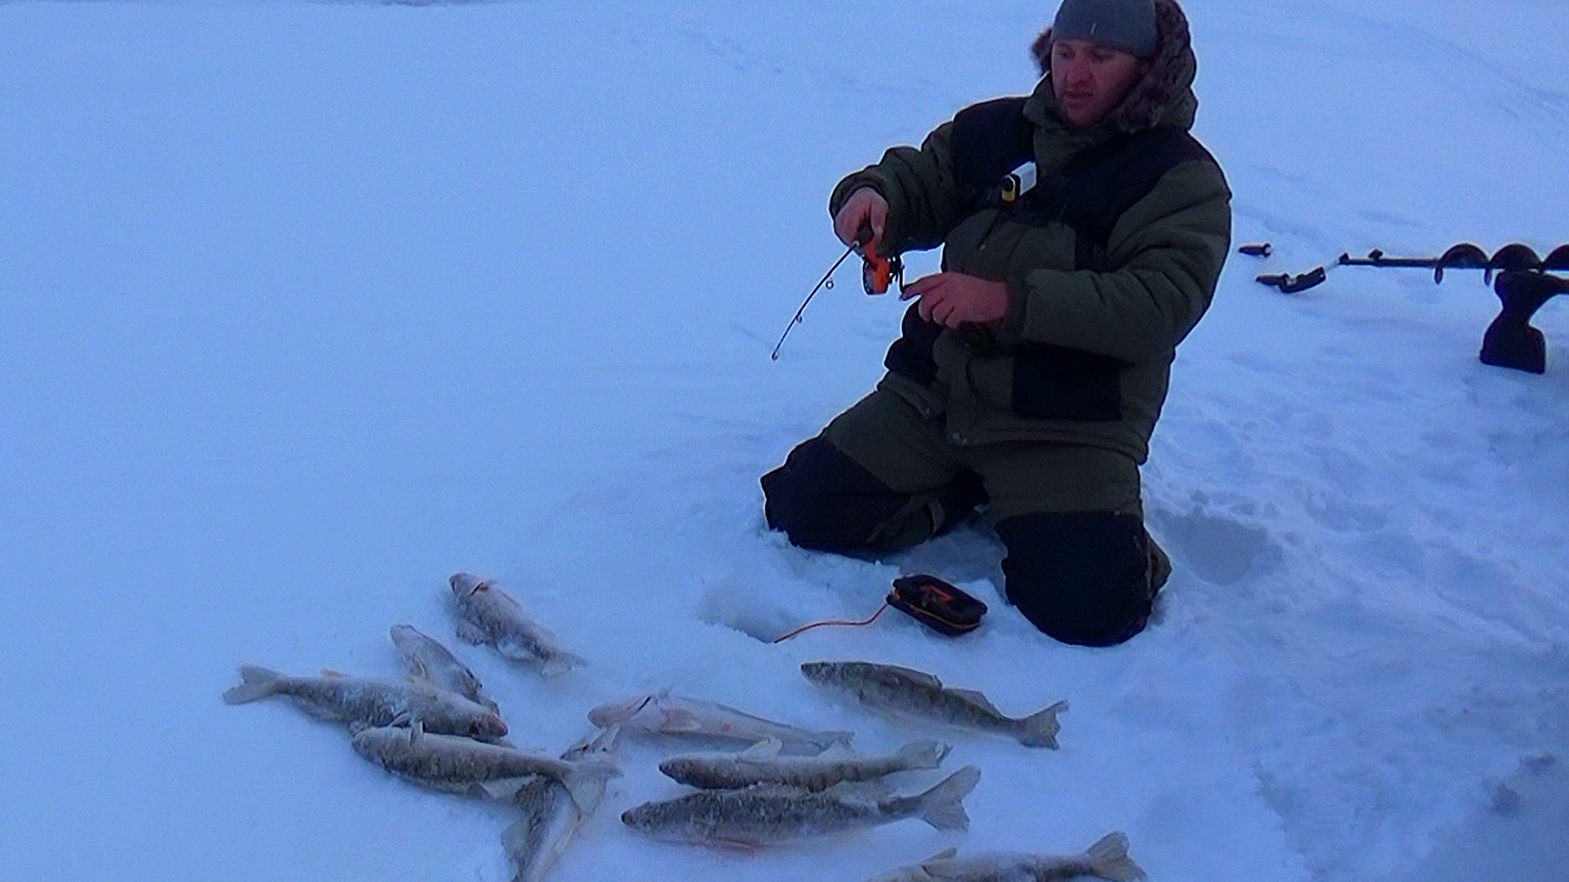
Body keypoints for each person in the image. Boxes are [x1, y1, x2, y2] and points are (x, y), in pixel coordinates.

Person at [761, 0, 1232, 647]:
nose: (1075, 73)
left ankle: (1092, 525)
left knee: (1092, 611)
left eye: (1101, 57)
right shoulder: (996, 131)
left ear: (1149, 67)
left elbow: (1158, 305)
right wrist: (872, 197)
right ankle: (961, 487)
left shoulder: (1179, 181)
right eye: (1065, 53)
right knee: (801, 508)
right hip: (938, 395)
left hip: (1067, 424)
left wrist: (1004, 301)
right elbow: (921, 181)